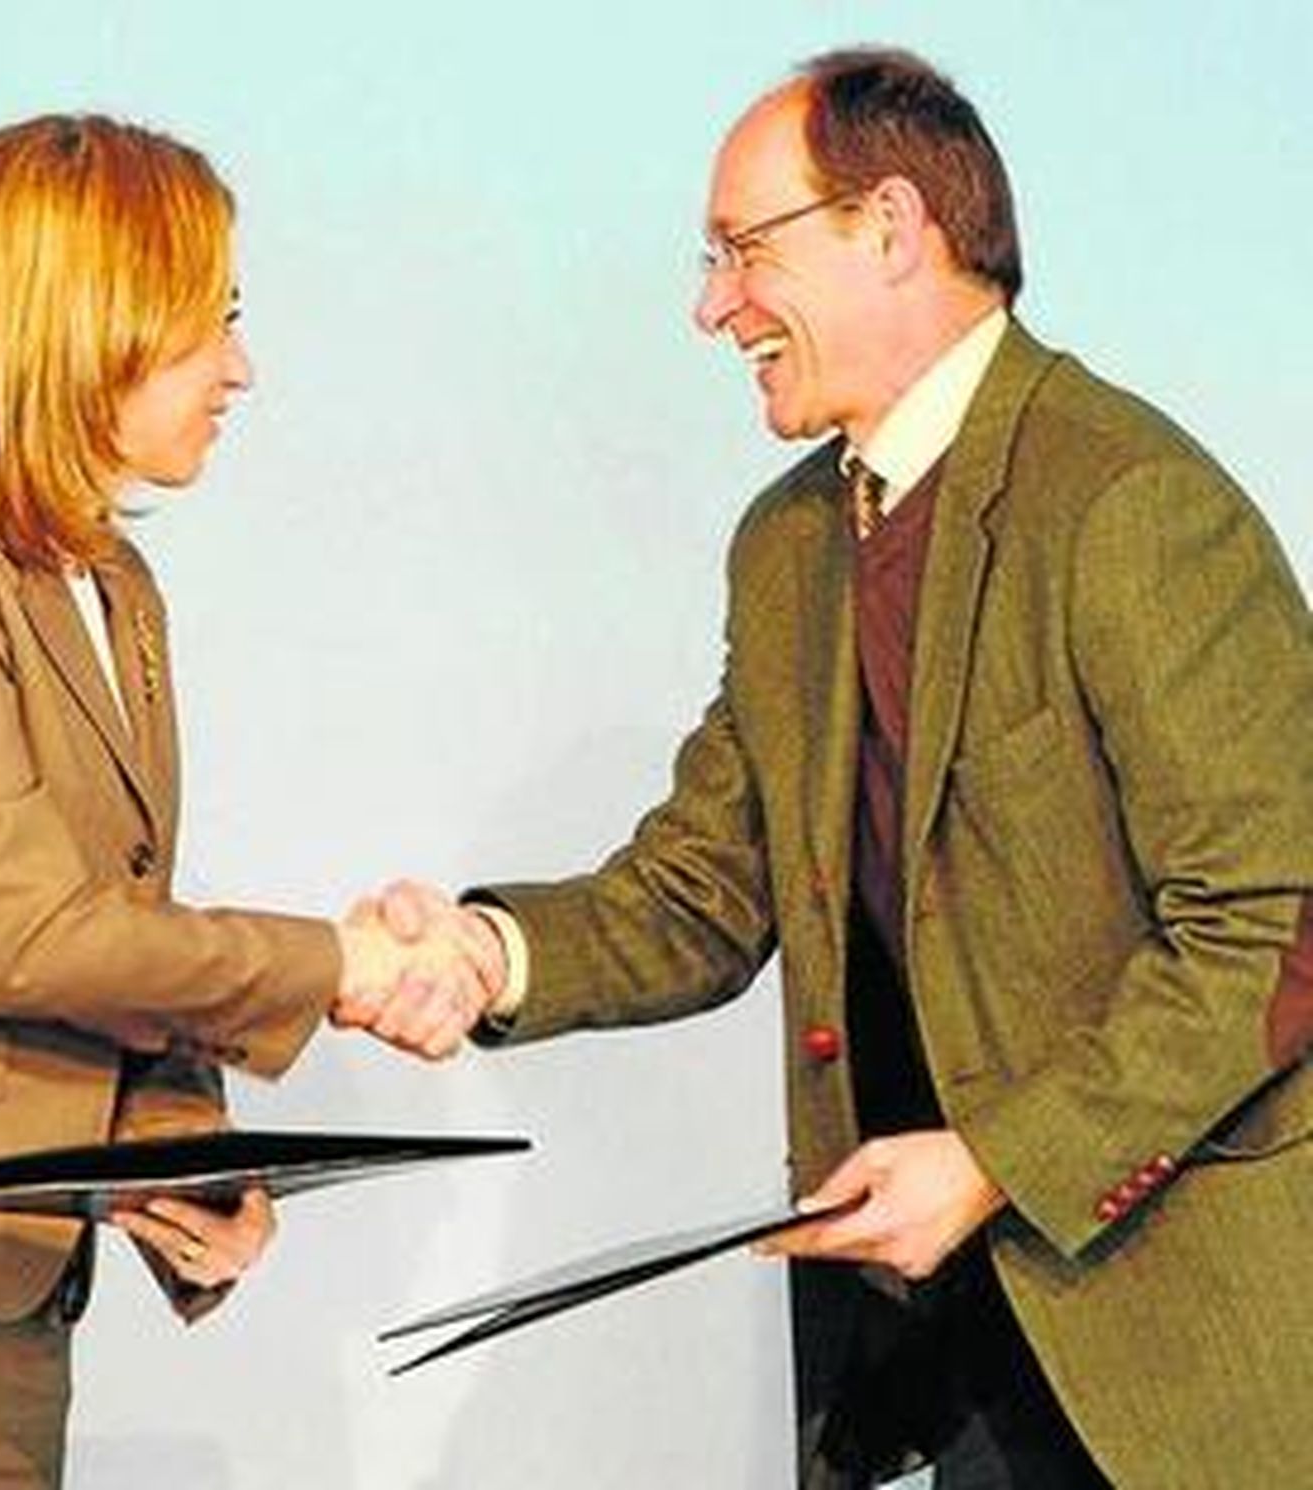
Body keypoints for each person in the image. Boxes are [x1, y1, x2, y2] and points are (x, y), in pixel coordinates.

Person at [334, 46, 1313, 1488]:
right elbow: (710, 882)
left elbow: (1275, 931)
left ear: (894, 226)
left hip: (1150, 1345)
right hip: (928, 1343)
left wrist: (992, 1159)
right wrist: (489, 953)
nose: (711, 303)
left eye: (741, 248)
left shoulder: (1130, 502)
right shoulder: (789, 542)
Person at [0, 114, 451, 1487]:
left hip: (9, 1286)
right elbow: (17, 933)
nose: (240, 368)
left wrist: (187, 1158)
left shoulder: (115, 585)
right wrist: (343, 963)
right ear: (90, 322)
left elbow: (116, 926)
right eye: (208, 321)